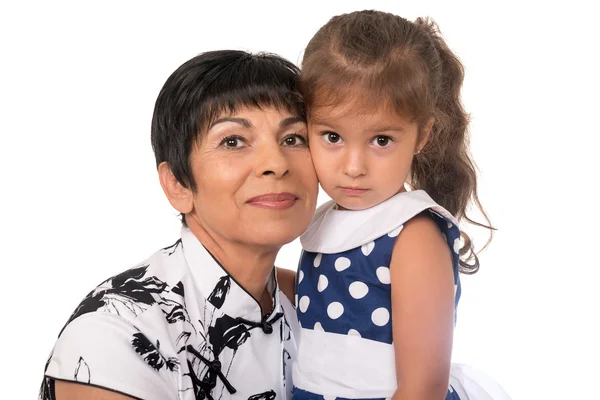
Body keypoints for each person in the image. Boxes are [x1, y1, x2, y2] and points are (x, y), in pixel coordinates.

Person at [39, 50, 318, 400]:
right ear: (178, 185)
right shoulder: (116, 331)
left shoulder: (311, 301)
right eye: (233, 141)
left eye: (293, 138)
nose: (276, 163)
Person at [292, 10, 508, 400]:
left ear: (421, 135)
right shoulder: (325, 220)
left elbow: (422, 388)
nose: (353, 167)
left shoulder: (413, 236)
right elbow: (323, 297)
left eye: (381, 141)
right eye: (332, 136)